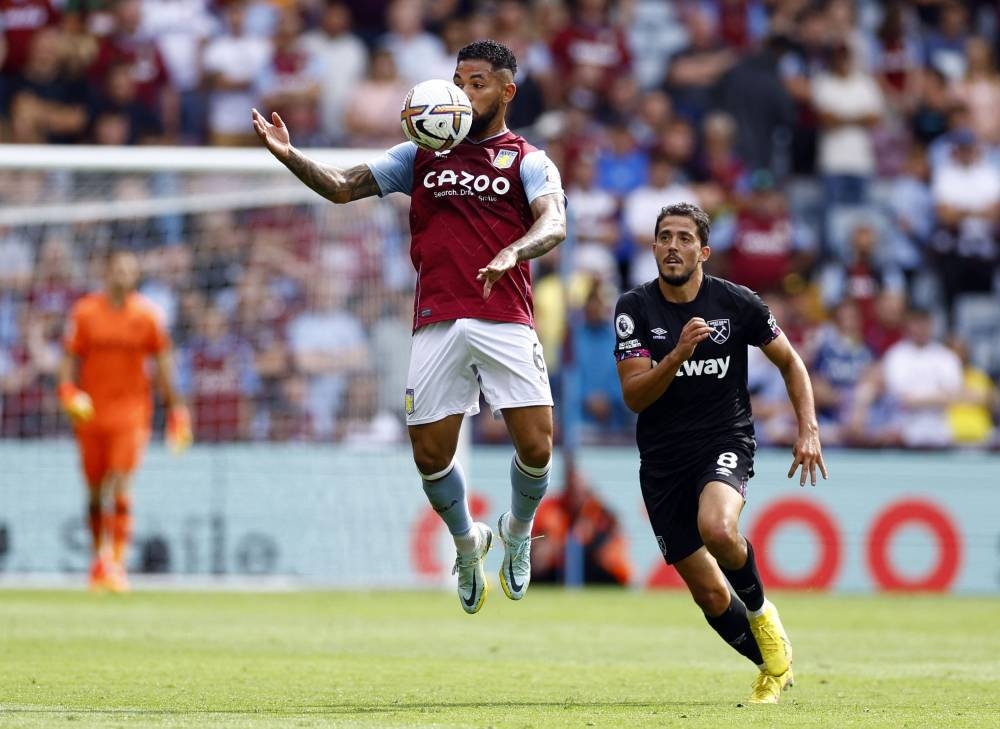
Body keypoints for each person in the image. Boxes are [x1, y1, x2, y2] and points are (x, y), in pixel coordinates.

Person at [252, 39, 566, 614]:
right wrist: (289, 155)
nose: (465, 92)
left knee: (538, 445)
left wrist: (515, 252)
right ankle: (468, 545)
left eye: (478, 82)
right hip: (437, 319)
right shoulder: (420, 154)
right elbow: (344, 186)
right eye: (459, 80)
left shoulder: (527, 159)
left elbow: (554, 224)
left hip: (505, 313)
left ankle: (517, 532)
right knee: (429, 455)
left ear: (506, 90)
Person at [613, 202, 827, 704]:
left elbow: (791, 362)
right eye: (664, 237)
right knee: (708, 593)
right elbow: (635, 395)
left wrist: (808, 428)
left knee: (719, 527)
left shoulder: (737, 303)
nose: (672, 246)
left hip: (723, 441)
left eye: (684, 238)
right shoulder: (635, 308)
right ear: (653, 248)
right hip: (663, 462)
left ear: (703, 251)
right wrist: (678, 354)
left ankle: (762, 615)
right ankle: (773, 665)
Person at [58, 250, 191, 592]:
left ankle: (115, 563)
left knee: (119, 481)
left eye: (129, 270)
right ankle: (98, 560)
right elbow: (69, 357)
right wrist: (67, 391)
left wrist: (176, 409)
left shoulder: (147, 316)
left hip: (132, 413)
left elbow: (163, 364)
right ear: (106, 271)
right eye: (117, 268)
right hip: (91, 412)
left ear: (135, 277)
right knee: (93, 491)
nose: (122, 275)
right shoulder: (85, 312)